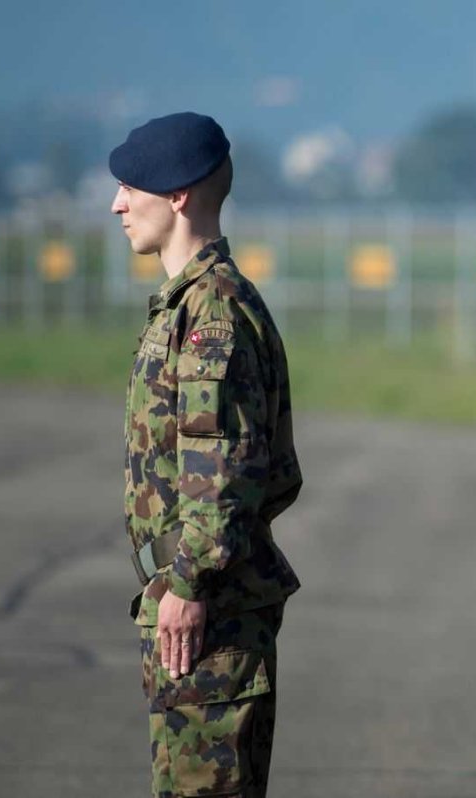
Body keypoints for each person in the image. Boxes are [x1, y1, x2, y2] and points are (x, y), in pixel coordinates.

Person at [111, 111, 303, 798]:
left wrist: (188, 582)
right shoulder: (190, 306)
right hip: (197, 601)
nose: (117, 204)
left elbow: (221, 466)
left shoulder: (212, 316)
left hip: (210, 608)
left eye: (131, 187)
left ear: (179, 195)